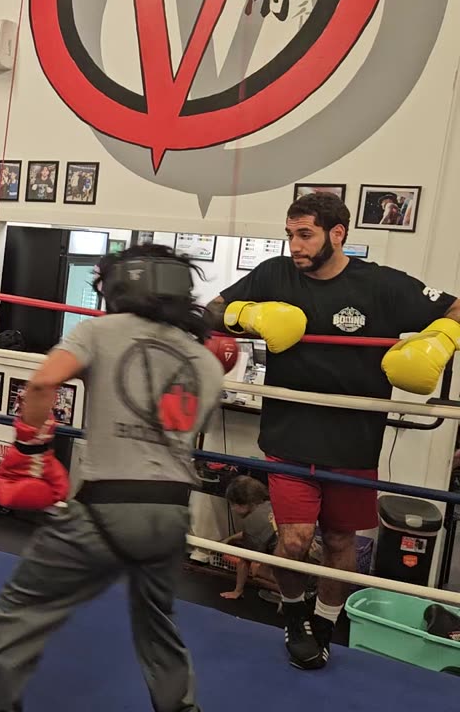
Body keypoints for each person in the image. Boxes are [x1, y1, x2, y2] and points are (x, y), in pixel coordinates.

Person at [0, 244, 226, 712]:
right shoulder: (205, 361)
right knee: (158, 623)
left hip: (108, 508)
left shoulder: (99, 331)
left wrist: (29, 445)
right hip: (171, 515)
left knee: (21, 612)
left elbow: (43, 382)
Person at [206, 191, 460, 670]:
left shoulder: (382, 286)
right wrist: (248, 314)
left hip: (353, 443)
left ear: (337, 233)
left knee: (340, 543)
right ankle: (296, 617)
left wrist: (441, 339)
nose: (295, 245)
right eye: (290, 234)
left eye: (305, 234)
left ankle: (325, 620)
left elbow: (455, 308)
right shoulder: (273, 275)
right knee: (296, 541)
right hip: (289, 437)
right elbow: (210, 311)